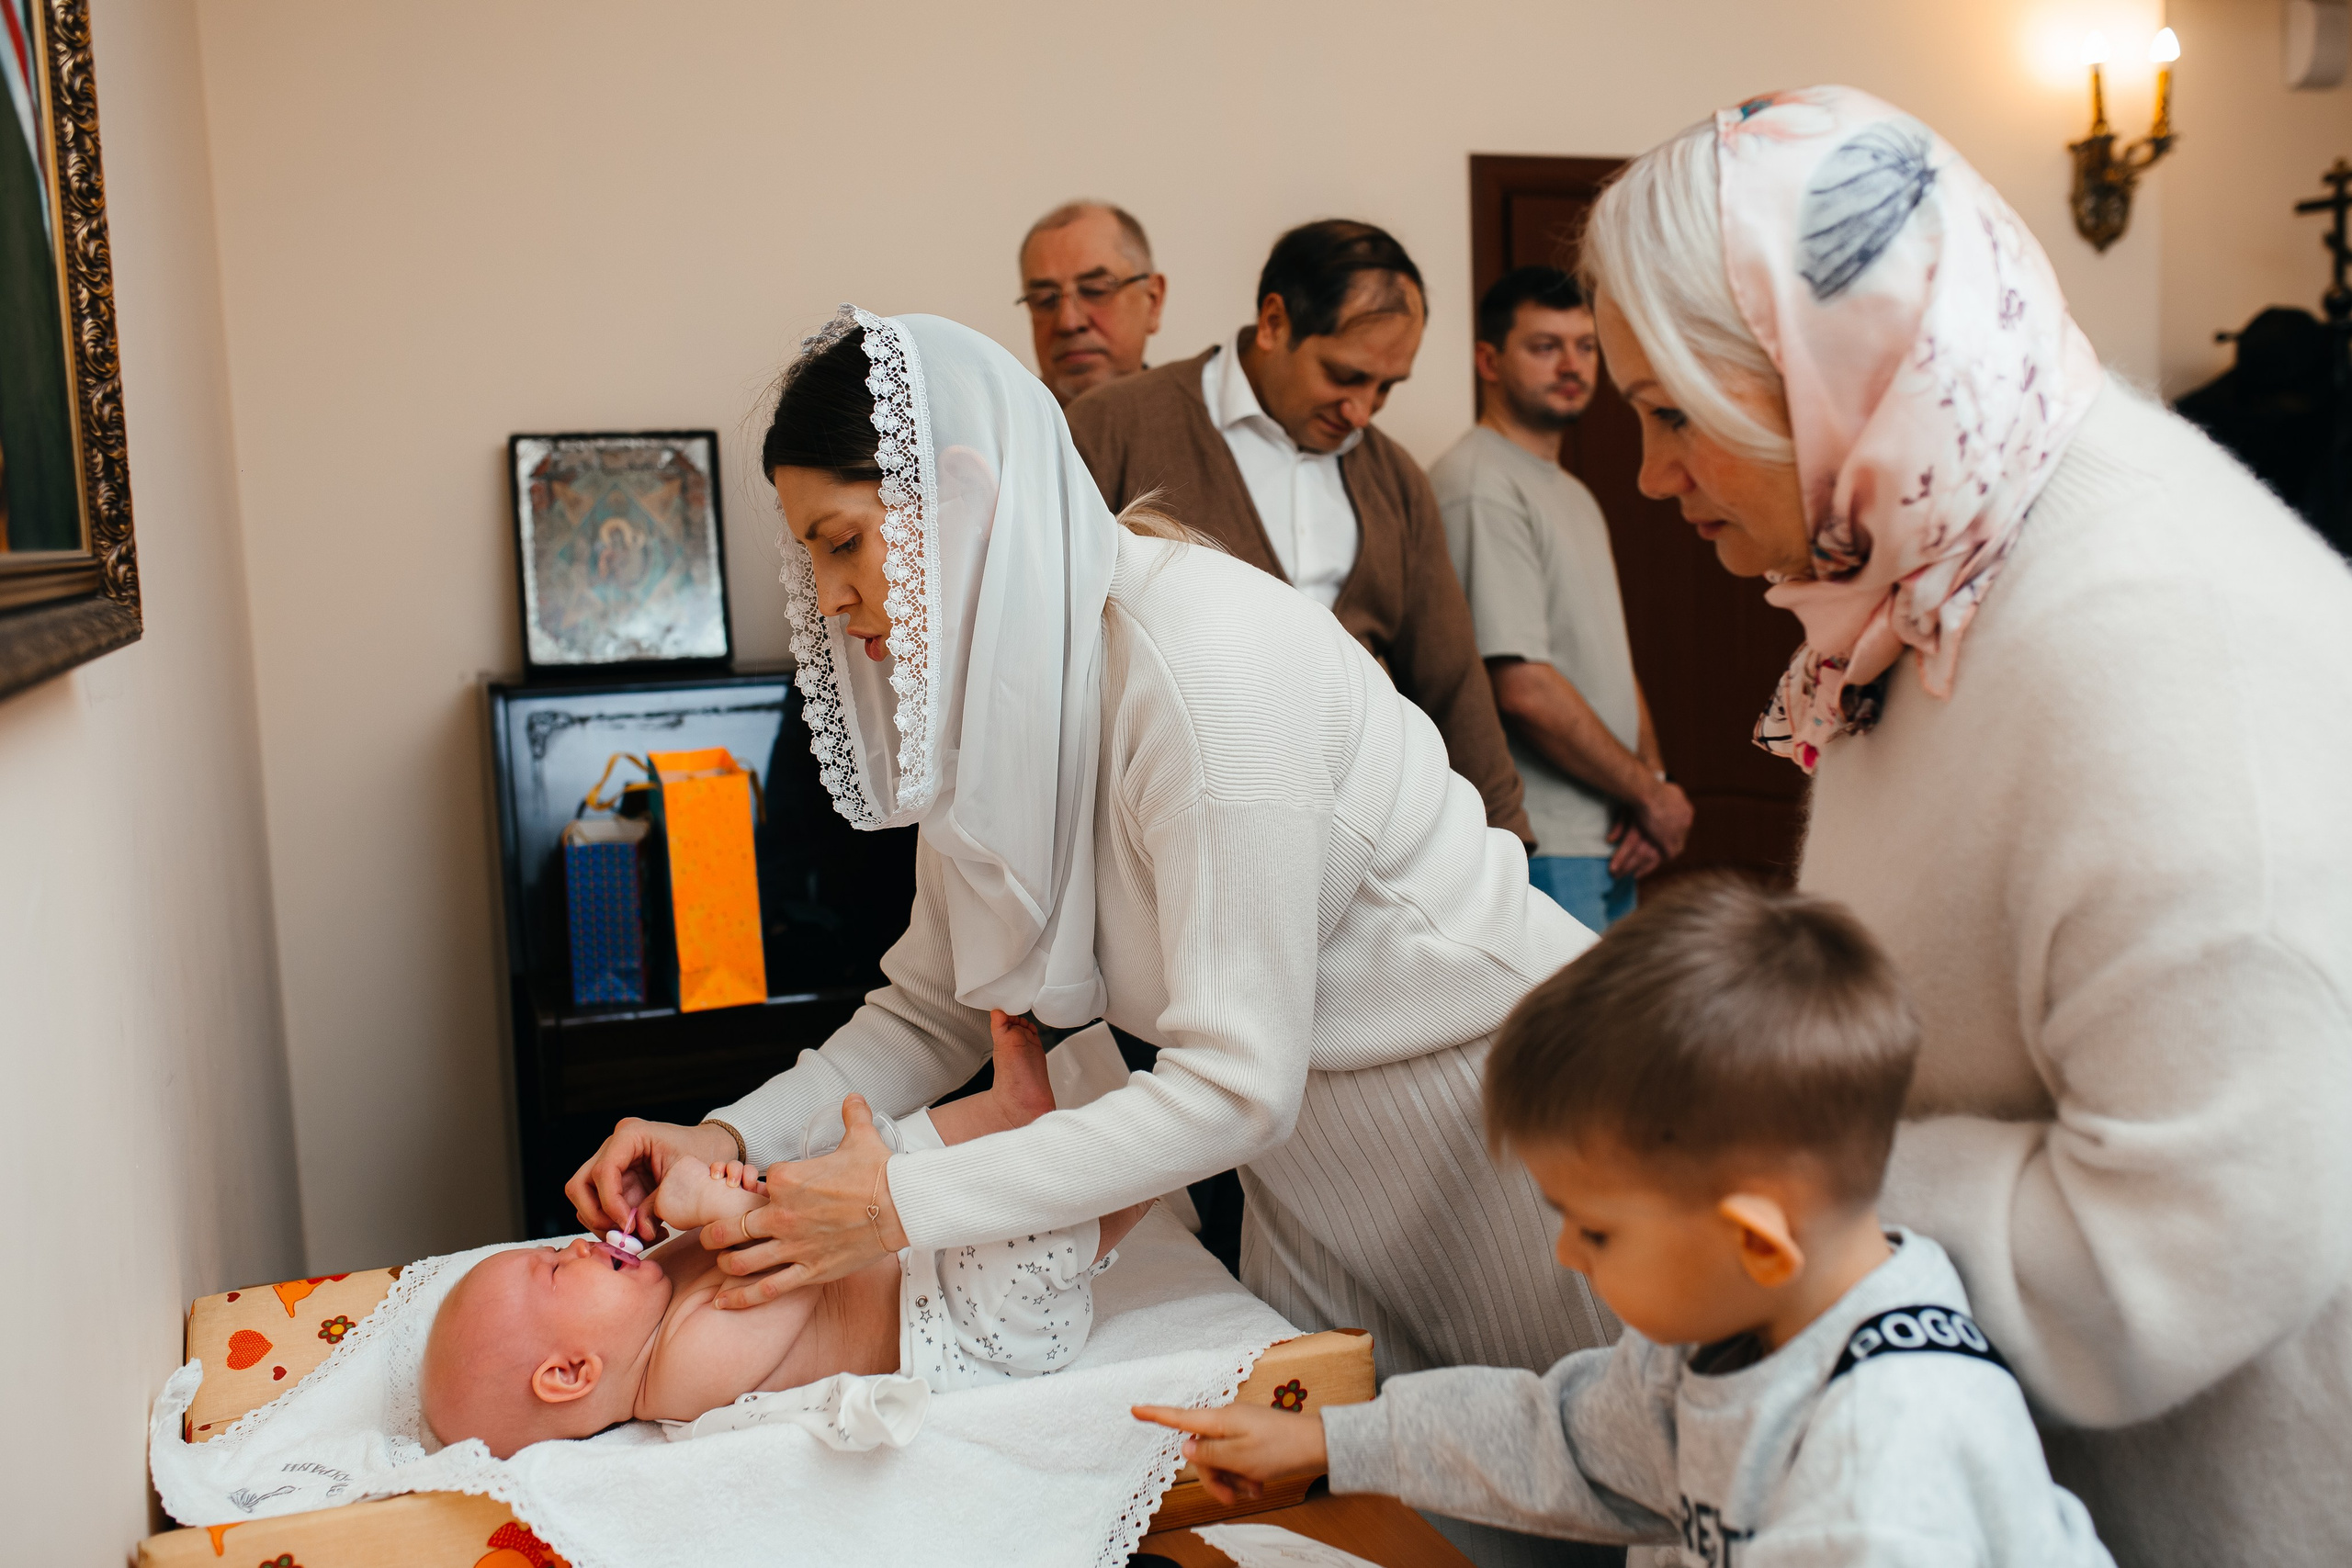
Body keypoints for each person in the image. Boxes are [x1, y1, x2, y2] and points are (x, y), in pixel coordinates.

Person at [568, 305, 1615, 1567]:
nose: (838, 601)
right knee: (1407, 1528)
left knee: (1610, 1478)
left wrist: (901, 1202)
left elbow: (1236, 1078)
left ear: (961, 488)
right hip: (1322, 1182)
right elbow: (930, 1006)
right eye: (814, 562)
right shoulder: (991, 702)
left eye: (844, 544)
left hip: (1509, 1123)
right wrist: (729, 1132)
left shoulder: (1204, 665)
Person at [1570, 85, 2352, 1567]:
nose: (1652, 475)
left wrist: (1771, 1181)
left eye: (1674, 414)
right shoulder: (1936, 561)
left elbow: (2199, 1238)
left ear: (1834, 372)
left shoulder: (2150, 639)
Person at [1138, 877, 2116, 1566]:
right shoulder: (1741, 1330)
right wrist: (1327, 1441)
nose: (1564, 1252)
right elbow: (1566, 1437)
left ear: (1753, 1242)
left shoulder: (1882, 1475)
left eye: (1594, 1230)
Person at [430, 1012, 1147, 1457]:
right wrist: (708, 1196)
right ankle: (1148, 1172)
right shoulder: (680, 1376)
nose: (577, 1245)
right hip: (961, 1317)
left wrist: (700, 1194)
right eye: (558, 1268)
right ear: (572, 1372)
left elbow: (781, 1204)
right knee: (1027, 1230)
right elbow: (788, 1278)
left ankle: (1009, 1112)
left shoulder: (654, 1292)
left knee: (891, 1155)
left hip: (900, 1241)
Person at [1067, 220, 1532, 844]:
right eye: (1344, 376)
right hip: (1169, 833)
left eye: (1386, 387)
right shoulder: (1114, 426)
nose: (1362, 412)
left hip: (1361, 842)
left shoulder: (1395, 480)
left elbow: (1452, 680)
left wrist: (1508, 841)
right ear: (1274, 323)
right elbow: (1056, 649)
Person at [1430, 267, 1691, 931]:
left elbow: (1606, 656)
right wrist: (1649, 795)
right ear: (1488, 359)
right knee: (1562, 1038)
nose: (1572, 364)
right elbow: (1520, 684)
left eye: (1586, 345)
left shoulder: (1570, 491)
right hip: (1540, 841)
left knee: (1605, 1035)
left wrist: (1650, 784)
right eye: (1545, 346)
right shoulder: (1480, 481)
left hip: (1606, 834)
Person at [1016, 199, 1166, 407]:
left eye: (1095, 290)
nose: (1068, 322)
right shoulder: (996, 433)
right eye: (1045, 299)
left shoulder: (1200, 428)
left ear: (1153, 301)